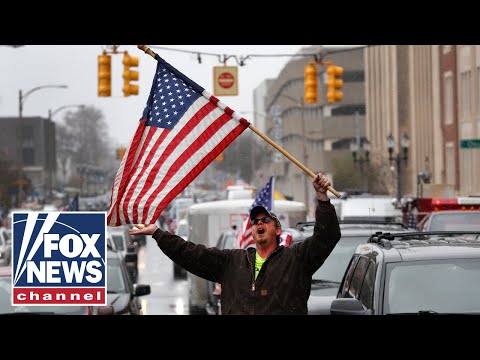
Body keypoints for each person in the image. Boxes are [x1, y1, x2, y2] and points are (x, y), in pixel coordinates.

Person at [129, 173, 341, 315]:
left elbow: (326, 238)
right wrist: (158, 233)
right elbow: (191, 254)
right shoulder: (233, 261)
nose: (259, 223)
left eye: (265, 220)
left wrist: (322, 198)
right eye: (255, 222)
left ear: (278, 230)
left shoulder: (295, 259)